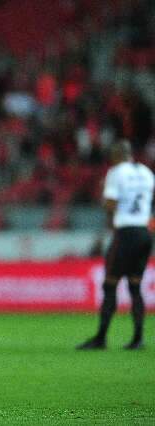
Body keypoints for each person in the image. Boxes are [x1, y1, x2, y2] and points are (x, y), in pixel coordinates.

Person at [77, 141, 153, 351]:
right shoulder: (147, 172)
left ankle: (101, 338)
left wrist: (106, 205)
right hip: (144, 233)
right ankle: (138, 339)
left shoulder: (116, 172)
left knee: (110, 285)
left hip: (125, 232)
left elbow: (110, 204)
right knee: (135, 286)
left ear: (116, 155)